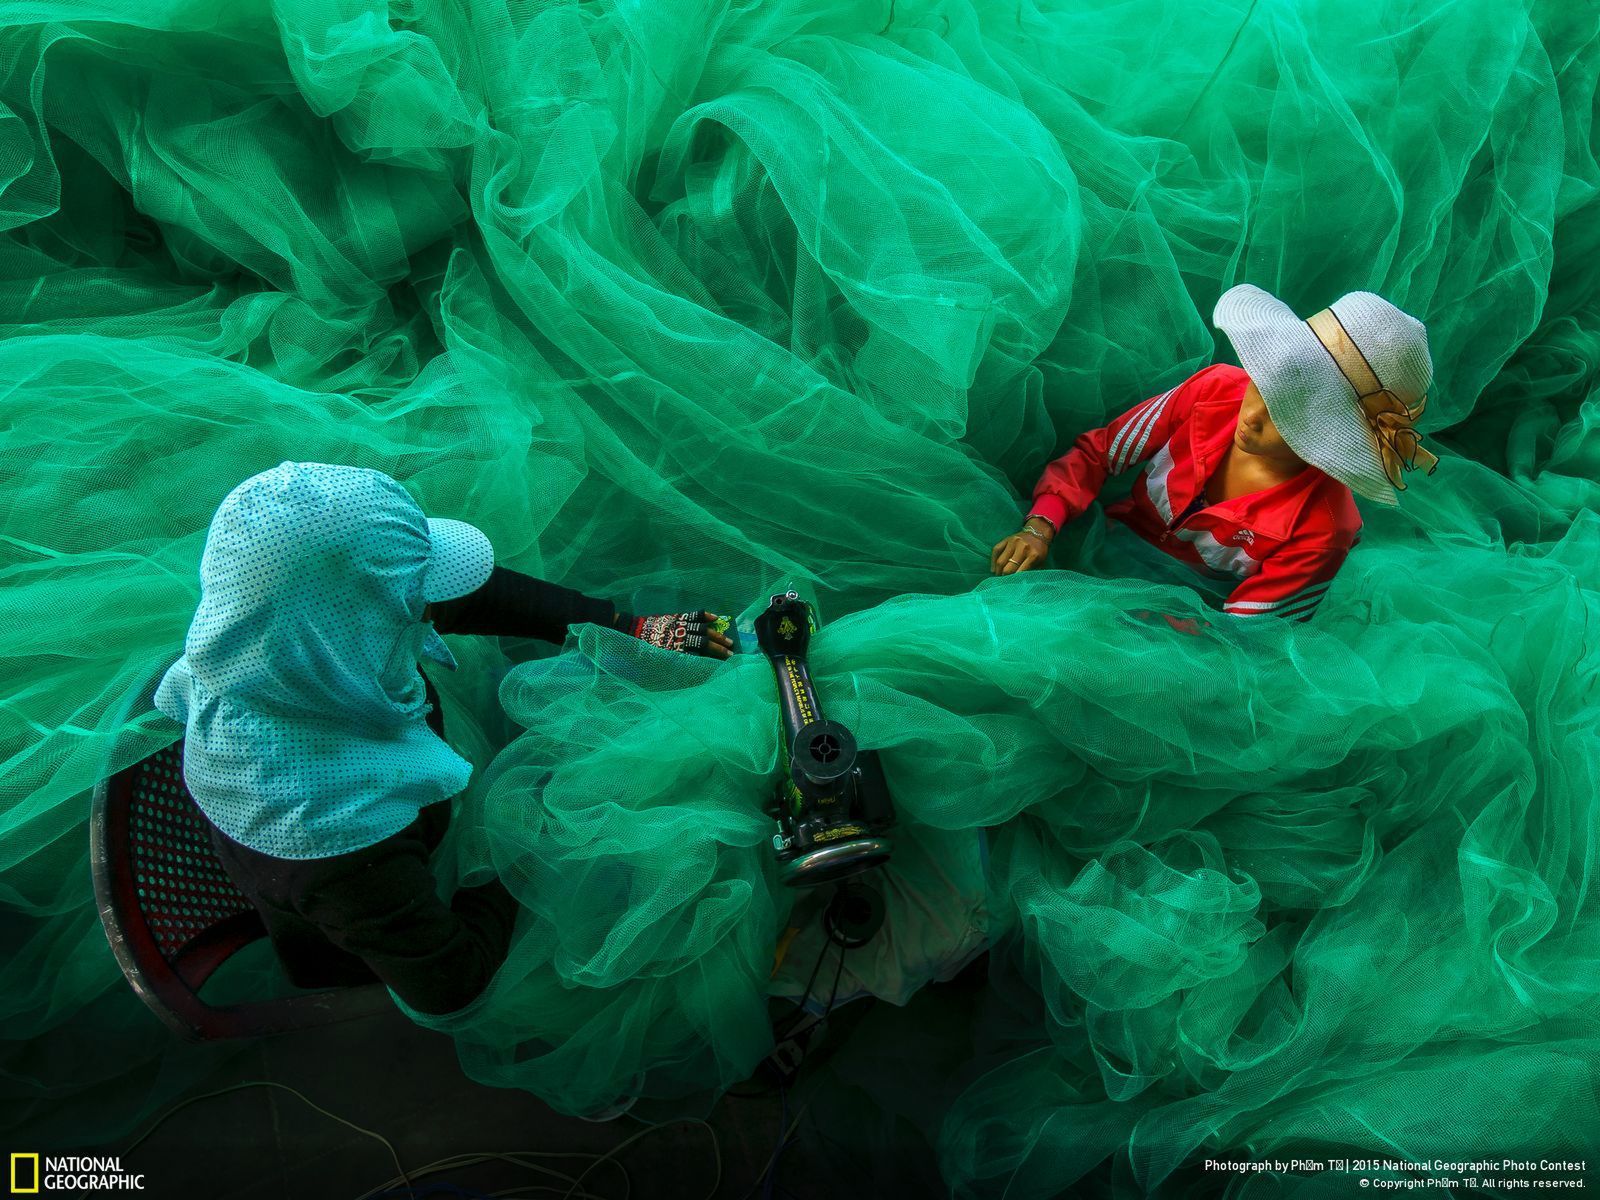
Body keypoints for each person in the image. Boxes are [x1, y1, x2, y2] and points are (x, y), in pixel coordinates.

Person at [153, 461, 733, 1016]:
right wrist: (522, 835)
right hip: (399, 925)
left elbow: (439, 593)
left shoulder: (275, 648)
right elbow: (452, 984)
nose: (428, 609)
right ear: (365, 624)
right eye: (413, 602)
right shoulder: (338, 838)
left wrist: (620, 628)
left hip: (396, 844)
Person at [991, 285, 1438, 623]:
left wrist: (1153, 633)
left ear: (1334, 435)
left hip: (1189, 623)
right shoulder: (1215, 390)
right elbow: (1100, 453)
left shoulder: (1324, 526)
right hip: (1096, 546)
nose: (1254, 413)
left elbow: (1247, 630)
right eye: (1264, 381)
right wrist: (1041, 525)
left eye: (1290, 414)